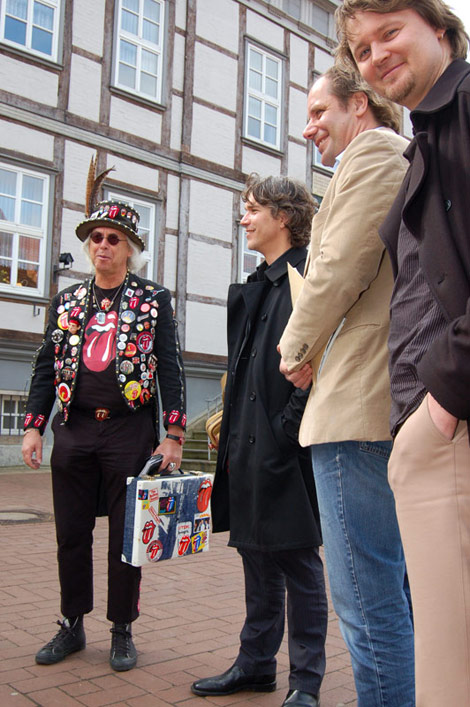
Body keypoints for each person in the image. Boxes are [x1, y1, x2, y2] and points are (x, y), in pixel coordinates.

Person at [335, 2, 470, 704]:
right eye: (362, 49)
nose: (377, 54)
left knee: (450, 674)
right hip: (432, 420)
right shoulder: (430, 135)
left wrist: (444, 399)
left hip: (448, 422)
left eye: (391, 32)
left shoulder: (463, 106)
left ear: (439, 29)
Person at [278, 65, 414, 707]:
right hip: (363, 398)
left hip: (357, 407)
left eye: (318, 111)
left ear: (359, 104)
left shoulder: (376, 153)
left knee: (367, 602)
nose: (308, 127)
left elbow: (339, 268)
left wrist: (295, 349)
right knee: (386, 595)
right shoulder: (376, 158)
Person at [22, 173, 186, 672]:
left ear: (130, 248)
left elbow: (171, 368)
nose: (103, 246)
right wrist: (34, 425)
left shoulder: (153, 300)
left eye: (114, 239)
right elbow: (46, 367)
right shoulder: (68, 301)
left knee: (125, 535)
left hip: (128, 429)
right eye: (96, 237)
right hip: (74, 429)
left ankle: (121, 629)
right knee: (71, 532)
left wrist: (173, 435)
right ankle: (72, 624)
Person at [191, 174, 327, 707]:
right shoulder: (258, 283)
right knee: (256, 558)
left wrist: (284, 434)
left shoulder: (307, 278)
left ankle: (306, 682)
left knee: (298, 565)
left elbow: (318, 366)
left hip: (285, 450)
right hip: (245, 447)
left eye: (252, 209)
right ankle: (256, 665)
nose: (243, 218)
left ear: (283, 217)